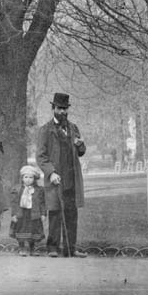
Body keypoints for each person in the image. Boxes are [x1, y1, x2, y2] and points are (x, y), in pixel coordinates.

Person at [36, 92, 88, 258]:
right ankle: (52, 247)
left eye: (65, 109)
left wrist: (80, 145)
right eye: (60, 108)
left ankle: (70, 248)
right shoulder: (45, 130)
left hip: (71, 178)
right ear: (53, 108)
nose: (63, 112)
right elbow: (41, 156)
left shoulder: (73, 128)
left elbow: (81, 152)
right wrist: (51, 173)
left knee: (71, 214)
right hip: (55, 179)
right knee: (55, 213)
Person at [9, 165, 46, 257]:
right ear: (22, 178)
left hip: (33, 213)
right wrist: (13, 214)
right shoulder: (17, 189)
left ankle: (32, 248)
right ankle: (21, 248)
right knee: (21, 230)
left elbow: (42, 203)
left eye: (31, 177)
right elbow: (14, 203)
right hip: (21, 213)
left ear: (34, 179)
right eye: (26, 177)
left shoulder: (38, 190)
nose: (28, 179)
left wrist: (43, 214)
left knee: (32, 231)